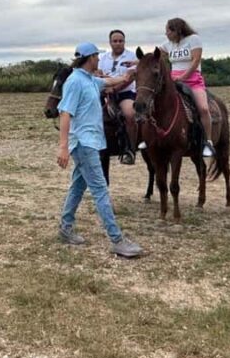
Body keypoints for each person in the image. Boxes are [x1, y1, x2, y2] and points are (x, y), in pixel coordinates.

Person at [57, 42, 144, 258]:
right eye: (96, 55)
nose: (99, 58)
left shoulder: (90, 80)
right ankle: (117, 240)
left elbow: (118, 80)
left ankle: (65, 228)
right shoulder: (75, 82)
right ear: (90, 58)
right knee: (100, 190)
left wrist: (135, 70)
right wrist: (63, 147)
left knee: (78, 187)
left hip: (91, 143)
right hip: (84, 144)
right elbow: (65, 113)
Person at [159, 18, 215, 157]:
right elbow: (152, 57)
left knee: (203, 108)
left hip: (192, 80)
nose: (166, 33)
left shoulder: (194, 39)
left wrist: (183, 76)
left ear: (177, 30)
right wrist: (136, 62)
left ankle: (208, 142)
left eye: (168, 30)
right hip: (174, 81)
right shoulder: (168, 44)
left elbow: (196, 61)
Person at [98, 29, 138, 165]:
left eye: (121, 41)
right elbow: (99, 74)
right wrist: (106, 85)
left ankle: (131, 149)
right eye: (115, 41)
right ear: (110, 42)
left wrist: (114, 88)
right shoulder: (103, 58)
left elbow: (130, 78)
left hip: (125, 93)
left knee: (129, 114)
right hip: (105, 92)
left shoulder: (131, 56)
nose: (118, 43)